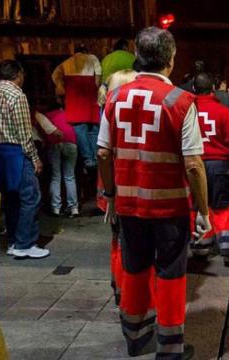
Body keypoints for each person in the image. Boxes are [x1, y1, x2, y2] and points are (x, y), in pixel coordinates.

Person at [97, 26, 210, 359]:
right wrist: (203, 211)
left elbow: (103, 152)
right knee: (171, 273)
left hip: (129, 205)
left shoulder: (115, 97)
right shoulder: (180, 100)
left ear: (137, 56)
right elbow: (193, 164)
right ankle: (170, 346)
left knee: (134, 268)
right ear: (171, 60)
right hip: (169, 207)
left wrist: (113, 196)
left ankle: (134, 335)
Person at [0, 60, 49, 259]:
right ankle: (25, 242)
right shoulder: (17, 95)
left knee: (10, 198)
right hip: (15, 152)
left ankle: (13, 241)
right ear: (18, 74)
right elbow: (24, 132)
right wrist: (35, 157)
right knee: (31, 196)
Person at [189, 72, 229, 266]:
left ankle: (200, 246)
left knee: (198, 205)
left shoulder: (187, 110)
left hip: (194, 165)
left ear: (193, 89)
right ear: (213, 89)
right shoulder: (222, 111)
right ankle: (228, 249)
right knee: (223, 205)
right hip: (219, 165)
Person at [96, 68, 138, 305]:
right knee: (127, 239)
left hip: (111, 183)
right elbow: (104, 154)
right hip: (124, 184)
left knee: (117, 236)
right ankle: (127, 287)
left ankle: (118, 282)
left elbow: (103, 153)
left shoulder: (109, 111)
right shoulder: (125, 112)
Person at [52, 46, 102, 170]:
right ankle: (96, 159)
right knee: (94, 130)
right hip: (90, 99)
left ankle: (88, 160)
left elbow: (54, 75)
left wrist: (61, 87)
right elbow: (99, 73)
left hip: (74, 101)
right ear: (86, 51)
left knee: (80, 130)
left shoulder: (66, 63)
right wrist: (95, 86)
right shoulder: (92, 58)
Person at [34, 104, 79, 217]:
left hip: (54, 144)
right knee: (70, 176)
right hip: (70, 142)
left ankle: (56, 208)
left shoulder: (42, 116)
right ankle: (73, 208)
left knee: (56, 177)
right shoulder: (67, 113)